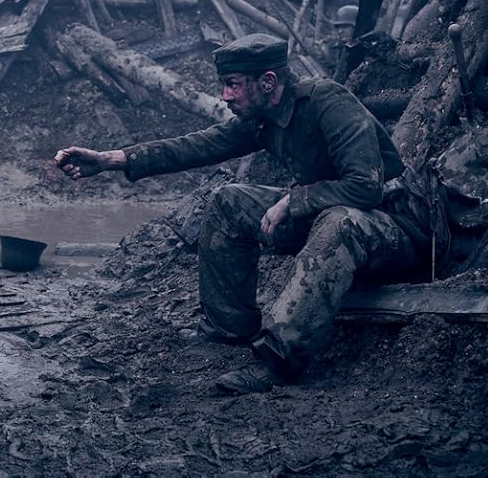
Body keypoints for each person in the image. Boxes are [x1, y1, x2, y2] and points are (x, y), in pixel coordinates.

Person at [56, 33, 441, 395]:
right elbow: (200, 145)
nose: (225, 95)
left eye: (233, 84)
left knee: (339, 221)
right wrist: (111, 160)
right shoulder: (262, 117)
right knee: (229, 201)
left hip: (392, 232)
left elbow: (366, 187)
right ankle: (229, 325)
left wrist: (293, 200)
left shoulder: (328, 102)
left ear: (268, 81)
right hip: (329, 218)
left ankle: (278, 361)